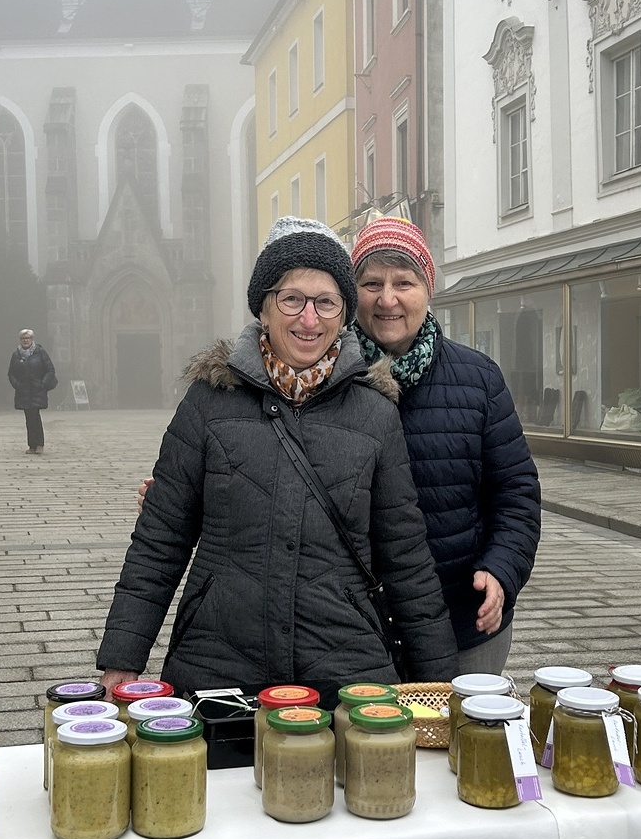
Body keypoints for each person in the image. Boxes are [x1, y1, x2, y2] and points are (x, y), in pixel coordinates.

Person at [98, 217, 458, 706]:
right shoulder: (209, 403)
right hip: (218, 663)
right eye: (292, 299)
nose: (309, 319)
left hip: (345, 671)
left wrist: (441, 687)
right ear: (264, 308)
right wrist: (122, 657)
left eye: (326, 302)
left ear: (343, 314)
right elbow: (159, 540)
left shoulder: (375, 414)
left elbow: (407, 560)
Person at [350, 218, 540, 676]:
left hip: (463, 622)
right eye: (372, 283)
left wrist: (502, 570)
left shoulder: (478, 379)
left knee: (461, 724)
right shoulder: (328, 379)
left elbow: (515, 492)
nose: (387, 299)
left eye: (404, 283)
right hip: (353, 634)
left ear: (428, 290)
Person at [8, 328, 57, 454]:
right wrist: (16, 384)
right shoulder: (16, 355)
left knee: (35, 416)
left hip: (37, 390)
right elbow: (11, 373)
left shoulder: (40, 353)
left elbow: (50, 370)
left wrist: (43, 383)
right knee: (29, 418)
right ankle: (32, 445)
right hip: (23, 391)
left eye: (28, 338)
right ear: (20, 340)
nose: (25, 341)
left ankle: (39, 444)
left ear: (32, 339)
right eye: (23, 338)